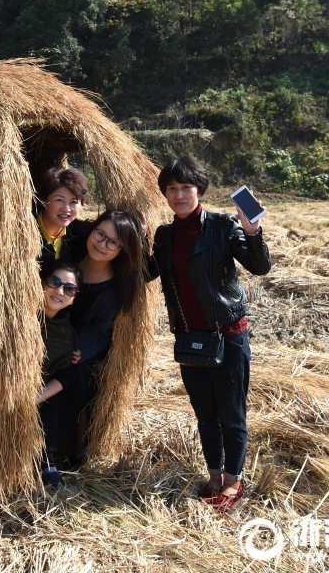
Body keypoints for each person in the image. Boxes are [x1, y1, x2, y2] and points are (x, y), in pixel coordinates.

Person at [145, 156, 272, 512]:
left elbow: (260, 266)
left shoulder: (222, 225)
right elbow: (146, 272)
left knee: (231, 413)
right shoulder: (165, 234)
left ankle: (233, 481)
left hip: (227, 334)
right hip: (189, 337)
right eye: (172, 189)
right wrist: (135, 239)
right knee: (205, 413)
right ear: (165, 195)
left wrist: (252, 229)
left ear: (199, 190)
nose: (180, 194)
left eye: (187, 187)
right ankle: (214, 476)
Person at [57, 209, 144, 464]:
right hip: (54, 330)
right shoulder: (72, 248)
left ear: (121, 250)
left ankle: (73, 456)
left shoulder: (114, 288)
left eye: (113, 243)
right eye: (100, 234)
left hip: (84, 347)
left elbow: (99, 331)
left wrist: (72, 349)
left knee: (77, 375)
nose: (102, 244)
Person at [34, 260, 82, 488]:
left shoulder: (66, 331)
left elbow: (67, 374)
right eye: (55, 282)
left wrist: (36, 397)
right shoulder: (19, 318)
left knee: (53, 401)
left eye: (69, 289)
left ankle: (48, 463)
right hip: (7, 391)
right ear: (43, 282)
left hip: (38, 395)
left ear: (73, 298)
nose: (60, 291)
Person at [34, 166, 89, 276]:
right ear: (43, 200)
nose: (66, 209)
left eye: (73, 202)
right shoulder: (25, 234)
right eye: (59, 200)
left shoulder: (80, 237)